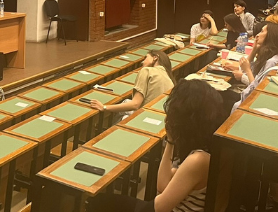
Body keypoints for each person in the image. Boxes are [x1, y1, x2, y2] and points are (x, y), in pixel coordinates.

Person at [86, 80, 224, 212]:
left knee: (98, 203)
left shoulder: (198, 160)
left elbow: (159, 208)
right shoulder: (203, 151)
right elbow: (162, 186)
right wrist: (170, 141)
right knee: (103, 202)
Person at [87, 50, 175, 115]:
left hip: (145, 115)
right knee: (125, 101)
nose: (142, 61)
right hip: (161, 115)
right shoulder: (168, 75)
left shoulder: (147, 71)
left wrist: (104, 107)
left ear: (155, 57)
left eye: (146, 58)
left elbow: (135, 104)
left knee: (121, 112)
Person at [229, 23, 278, 107]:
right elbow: (243, 69)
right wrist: (254, 50)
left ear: (271, 36)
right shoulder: (268, 55)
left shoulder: (272, 62)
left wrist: (248, 70)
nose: (257, 35)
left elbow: (257, 90)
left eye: (262, 31)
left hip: (253, 102)